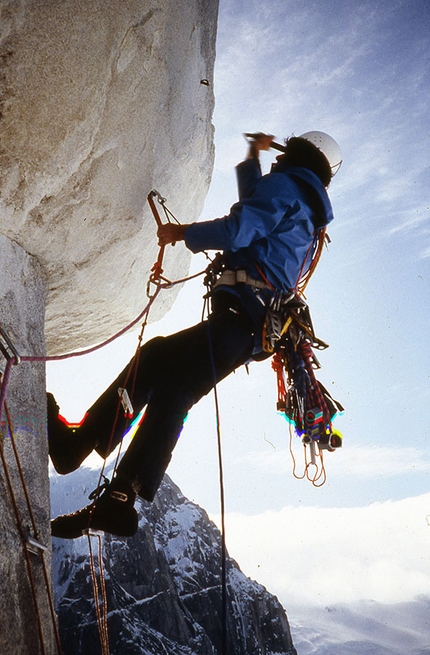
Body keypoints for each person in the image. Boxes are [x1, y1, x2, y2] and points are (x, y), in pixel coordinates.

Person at [49, 130, 341, 539]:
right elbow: (259, 205)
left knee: (155, 361)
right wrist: (250, 159)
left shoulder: (286, 186)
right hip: (249, 334)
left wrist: (181, 232)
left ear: (292, 156)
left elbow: (241, 227)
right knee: (174, 391)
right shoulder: (309, 214)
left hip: (238, 318)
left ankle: (76, 448)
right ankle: (118, 497)